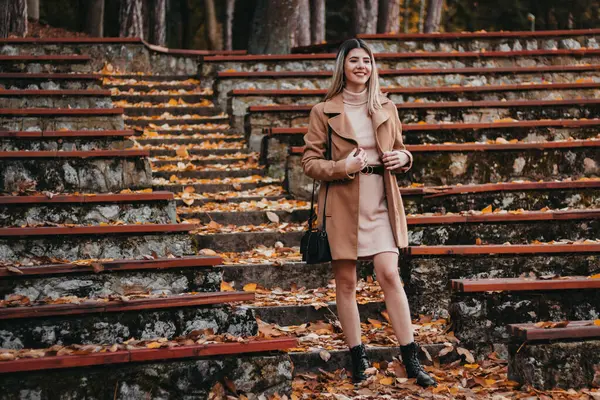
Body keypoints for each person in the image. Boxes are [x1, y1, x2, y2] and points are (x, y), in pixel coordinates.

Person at [301, 38, 437, 388]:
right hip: (342, 204)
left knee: (389, 274)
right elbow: (309, 163)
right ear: (342, 67)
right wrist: (341, 166)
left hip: (381, 200)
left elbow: (402, 149)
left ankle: (411, 358)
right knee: (346, 283)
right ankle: (358, 358)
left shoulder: (386, 107)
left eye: (366, 60)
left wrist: (404, 159)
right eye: (353, 60)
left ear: (373, 67)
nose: (361, 66)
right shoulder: (324, 110)